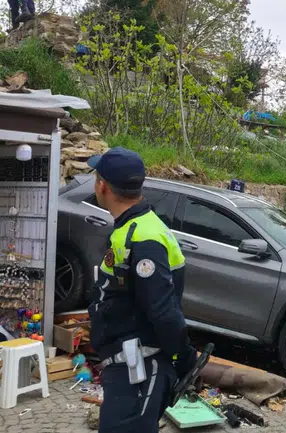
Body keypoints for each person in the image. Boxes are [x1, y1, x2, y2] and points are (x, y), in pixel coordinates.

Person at [87, 148, 197, 432]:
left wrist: (185, 358)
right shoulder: (135, 227)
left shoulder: (145, 238)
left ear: (102, 186)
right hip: (127, 366)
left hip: (138, 369)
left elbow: (163, 311)